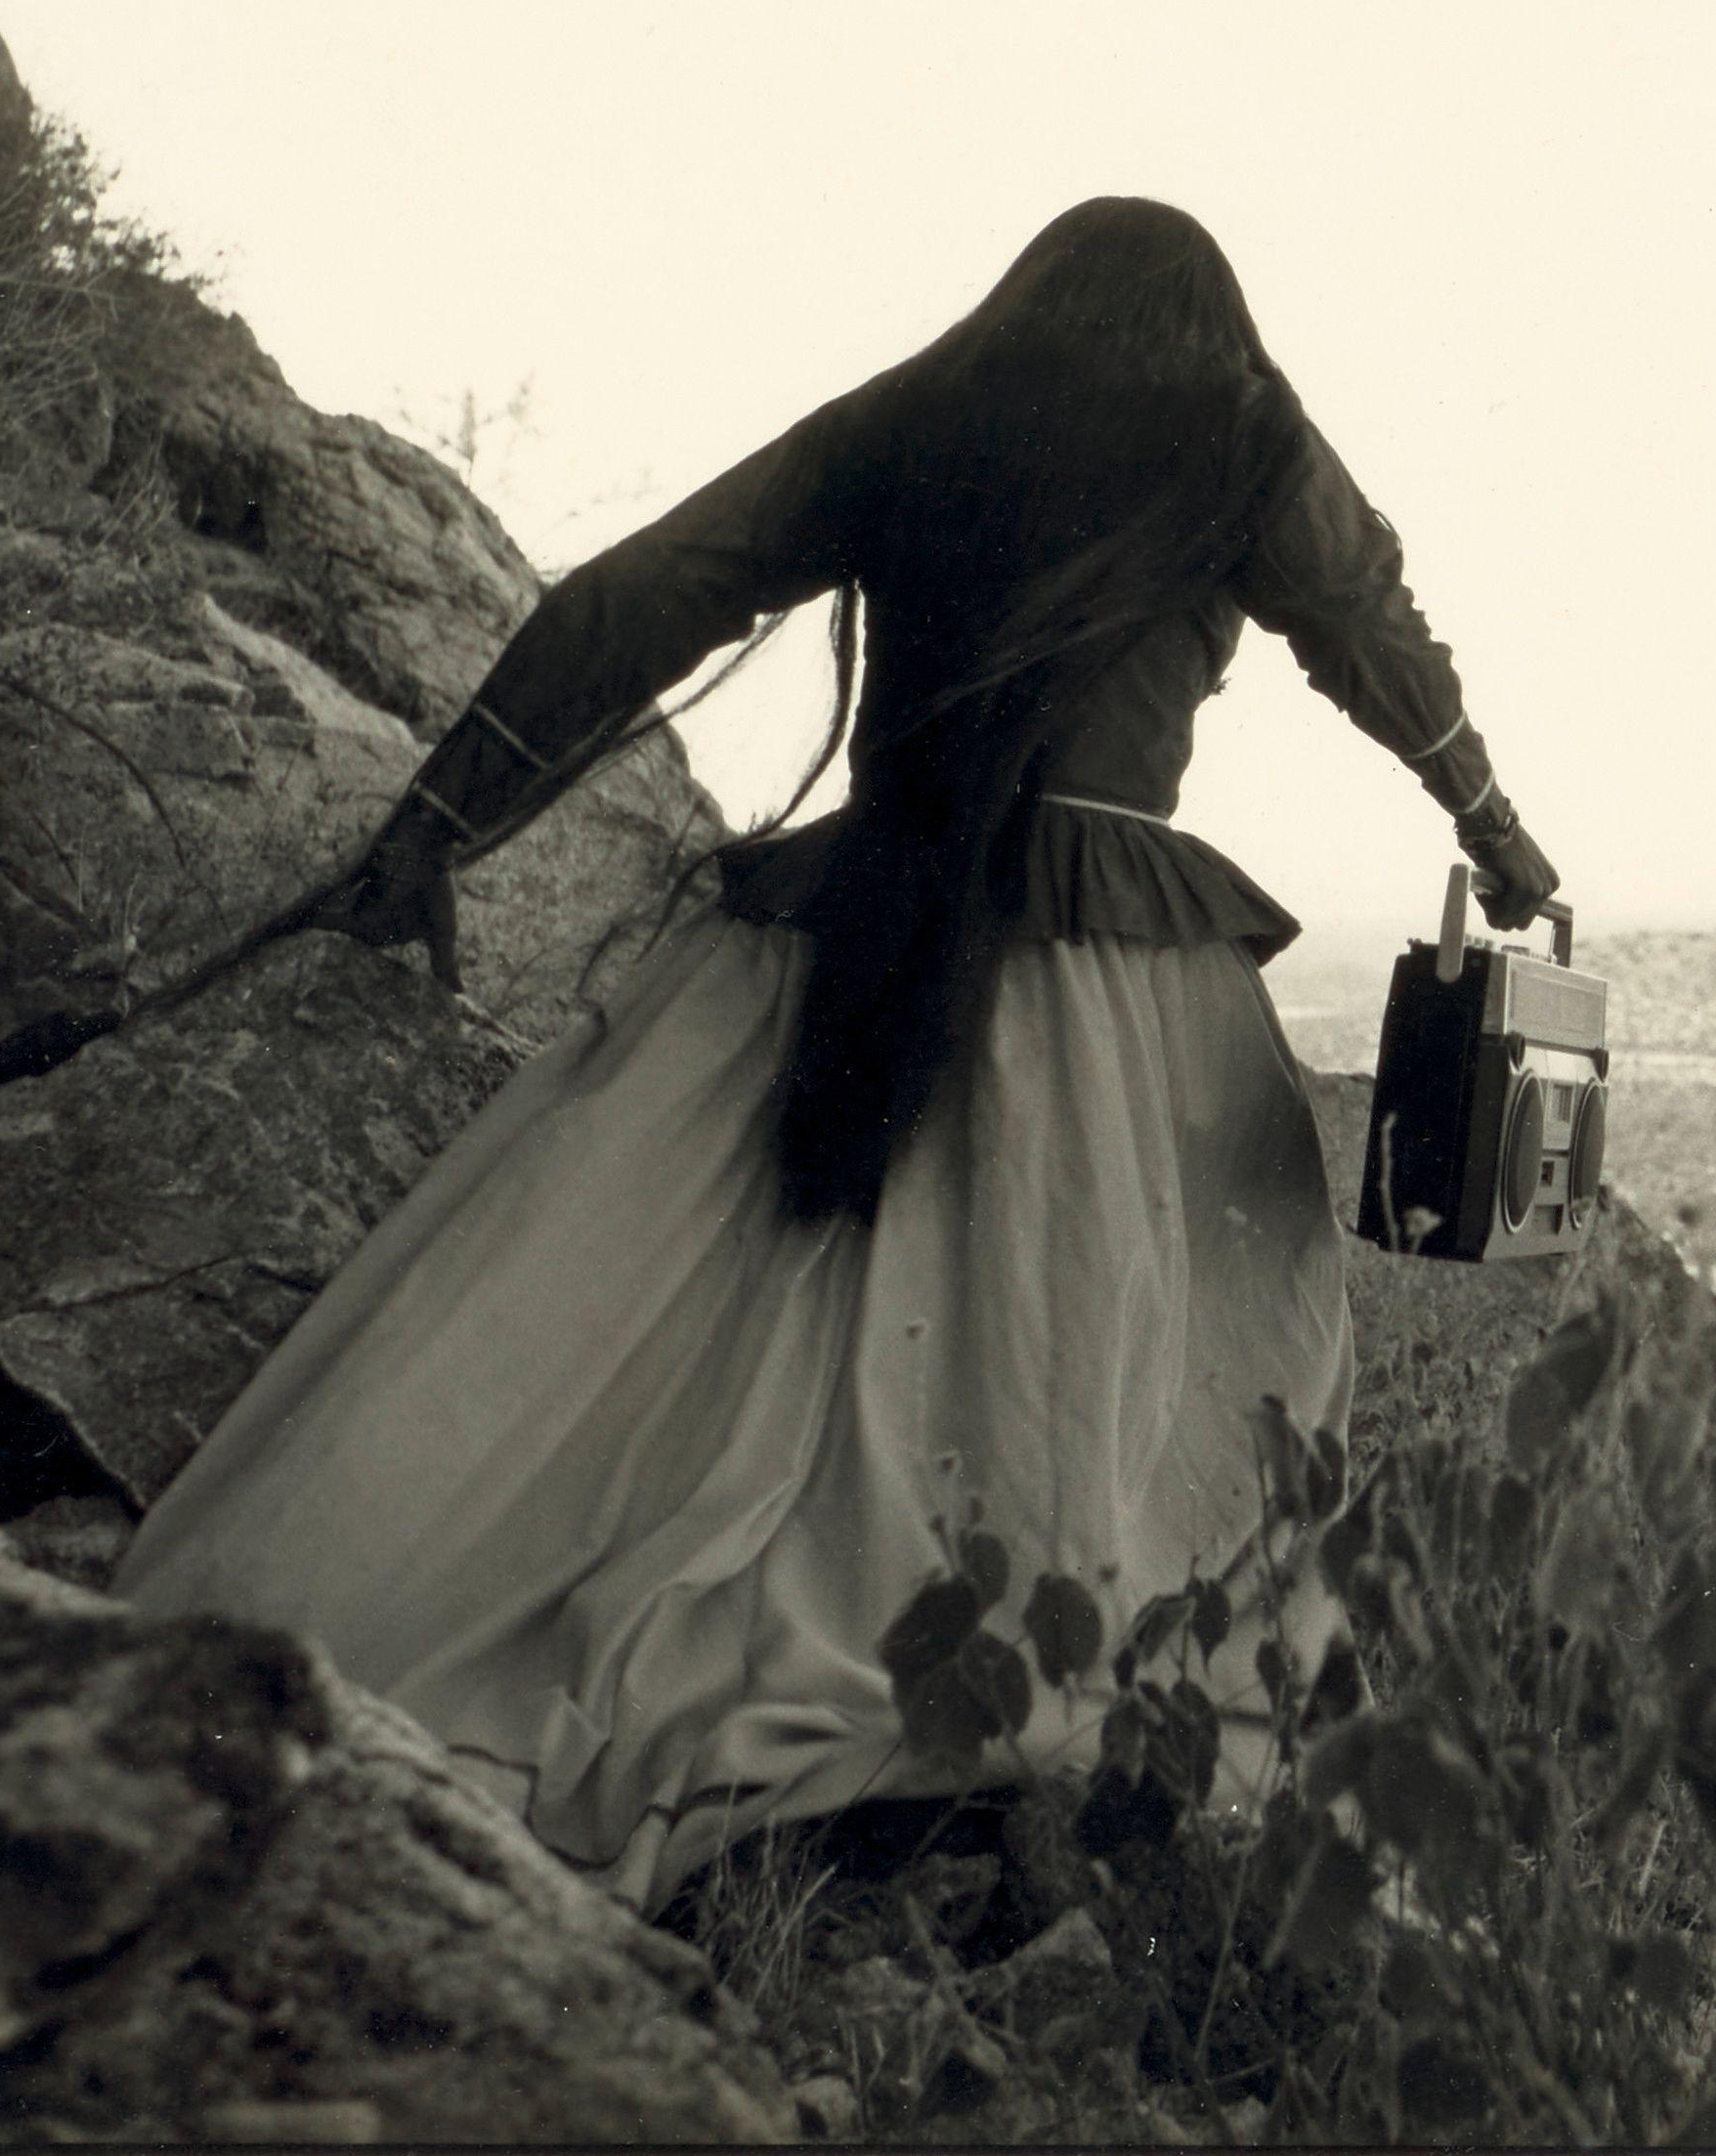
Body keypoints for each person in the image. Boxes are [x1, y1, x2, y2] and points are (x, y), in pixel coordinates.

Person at [113, 197, 1558, 1908]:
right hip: (1112, 976)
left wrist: (440, 823)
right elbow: (1374, 631)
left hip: (846, 924)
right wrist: (1501, 833)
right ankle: (1010, 1710)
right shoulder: (1241, 433)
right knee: (1162, 1347)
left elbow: (648, 592)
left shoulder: (921, 412)